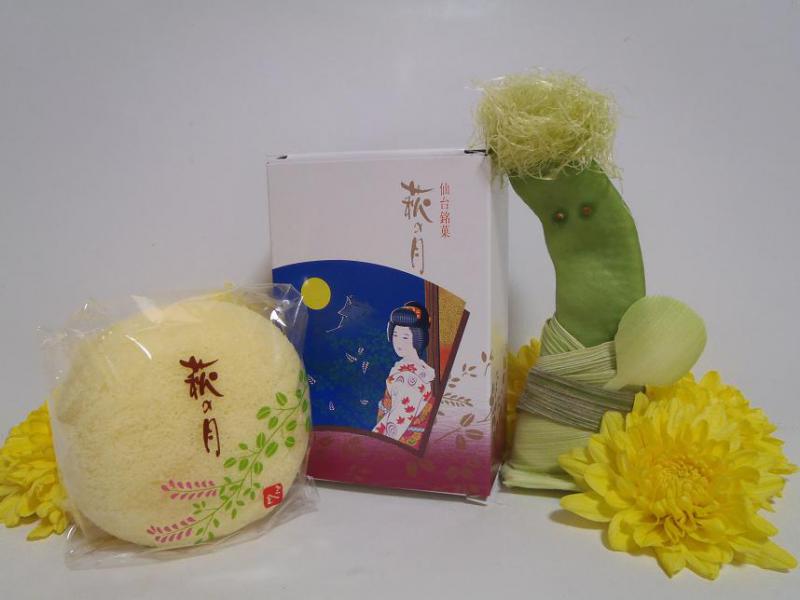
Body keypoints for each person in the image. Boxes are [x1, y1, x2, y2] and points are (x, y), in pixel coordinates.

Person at [373, 302, 435, 448]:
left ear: (418, 338)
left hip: (400, 439)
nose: (398, 342)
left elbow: (398, 421)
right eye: (395, 335)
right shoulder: (410, 367)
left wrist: (378, 444)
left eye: (405, 337)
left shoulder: (410, 378)